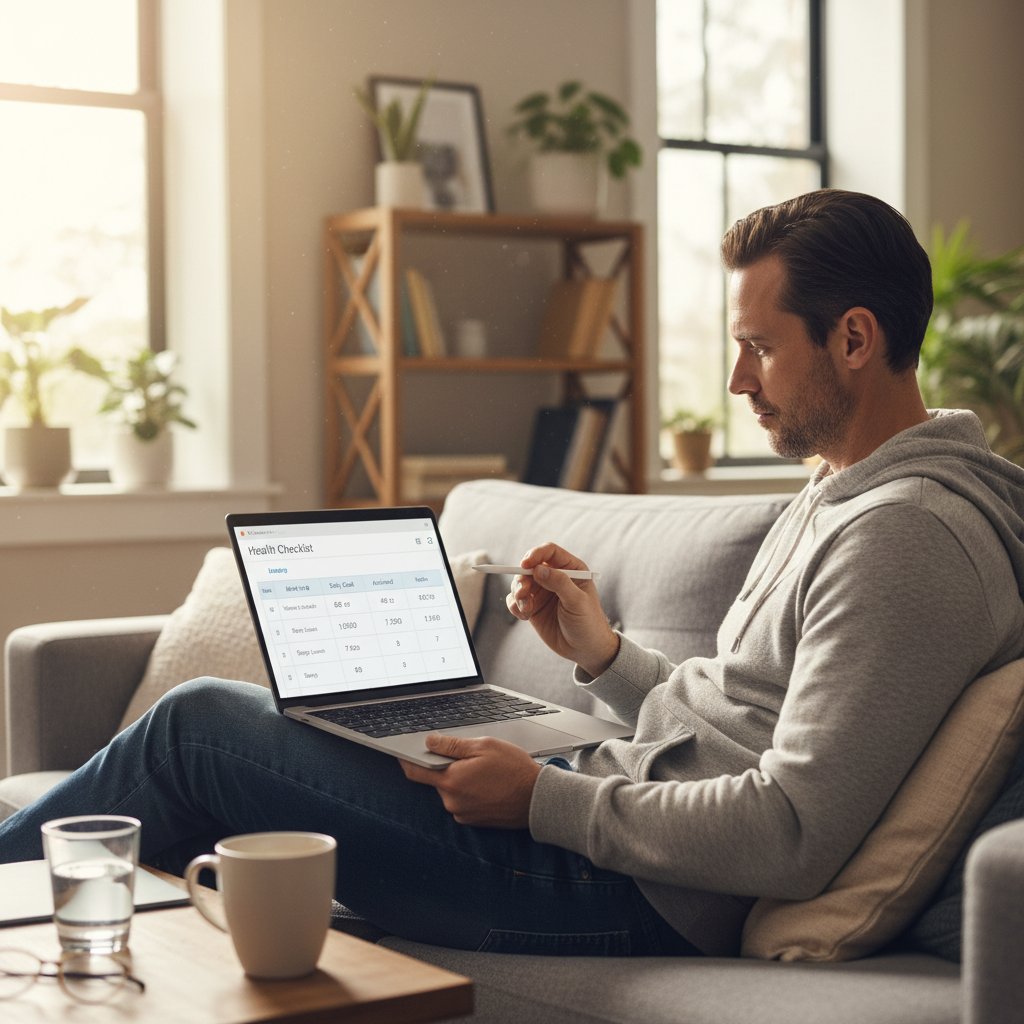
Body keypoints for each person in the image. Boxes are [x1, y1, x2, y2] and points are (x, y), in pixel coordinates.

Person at [2, 189, 1023, 958]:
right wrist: (604, 653)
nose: (734, 378)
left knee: (196, 729)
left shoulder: (907, 541)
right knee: (250, 736)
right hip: (605, 825)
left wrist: (540, 800)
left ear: (854, 339)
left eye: (758, 346)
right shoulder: (839, 486)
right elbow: (730, 725)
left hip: (630, 888)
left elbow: (791, 830)